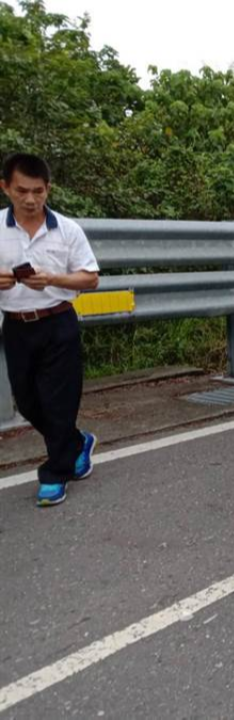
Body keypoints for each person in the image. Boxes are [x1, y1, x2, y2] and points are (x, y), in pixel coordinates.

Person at [0, 153, 100, 506]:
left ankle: (55, 475)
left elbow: (90, 277)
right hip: (16, 327)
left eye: (38, 191)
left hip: (58, 322)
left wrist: (54, 279)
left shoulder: (67, 229)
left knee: (59, 403)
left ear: (48, 190)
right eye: (22, 191)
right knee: (27, 401)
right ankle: (76, 443)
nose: (30, 200)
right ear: (6, 188)